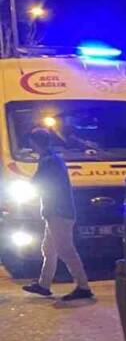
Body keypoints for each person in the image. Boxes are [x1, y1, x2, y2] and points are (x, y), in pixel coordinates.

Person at [20, 127, 93, 301]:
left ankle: (83, 287)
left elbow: (38, 181)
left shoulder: (49, 161)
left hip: (58, 212)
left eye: (32, 143)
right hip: (56, 211)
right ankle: (44, 285)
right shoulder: (53, 158)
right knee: (49, 249)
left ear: (34, 142)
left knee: (66, 250)